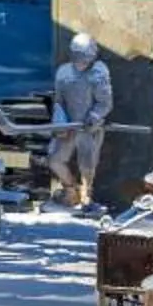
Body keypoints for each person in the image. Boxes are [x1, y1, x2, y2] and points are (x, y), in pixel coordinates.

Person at [49, 32, 114, 212]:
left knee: (87, 163)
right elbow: (60, 101)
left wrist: (93, 117)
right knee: (55, 160)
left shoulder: (99, 73)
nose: (82, 61)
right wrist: (60, 122)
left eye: (85, 57)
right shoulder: (63, 73)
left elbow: (105, 102)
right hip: (68, 126)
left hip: (89, 128)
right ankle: (71, 191)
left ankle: (87, 195)